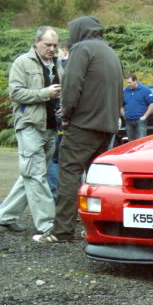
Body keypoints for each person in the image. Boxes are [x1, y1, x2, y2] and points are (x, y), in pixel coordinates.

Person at [34, 16, 123, 243]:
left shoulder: (81, 49)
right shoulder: (109, 52)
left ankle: (61, 231)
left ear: (79, 31)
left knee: (69, 173)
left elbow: (71, 86)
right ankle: (96, 228)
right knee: (96, 180)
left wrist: (66, 114)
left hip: (84, 125)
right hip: (107, 126)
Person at [0, 26, 61, 233]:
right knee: (36, 175)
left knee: (32, 173)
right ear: (36, 41)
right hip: (30, 126)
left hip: (51, 127)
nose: (52, 49)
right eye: (48, 44)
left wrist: (62, 107)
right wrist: (44, 93)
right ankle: (48, 224)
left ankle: (3, 216)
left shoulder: (57, 64)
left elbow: (62, 91)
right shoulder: (22, 62)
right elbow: (15, 93)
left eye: (55, 45)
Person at [46, 40, 70, 199]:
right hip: (67, 121)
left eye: (57, 49)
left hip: (59, 121)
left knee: (54, 160)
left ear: (64, 51)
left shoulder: (60, 67)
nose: (54, 51)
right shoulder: (81, 68)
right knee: (69, 163)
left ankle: (57, 198)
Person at [121, 73, 153, 141]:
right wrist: (124, 114)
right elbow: (120, 104)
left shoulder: (145, 90)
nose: (128, 84)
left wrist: (145, 116)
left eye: (130, 82)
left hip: (140, 121)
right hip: (128, 120)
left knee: (140, 141)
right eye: (127, 83)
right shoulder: (125, 91)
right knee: (131, 142)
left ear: (135, 81)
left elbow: (152, 103)